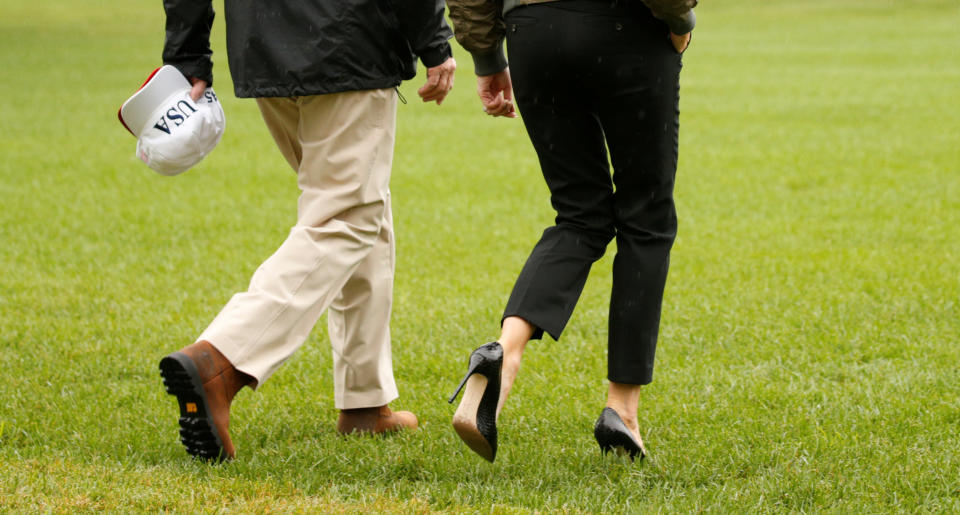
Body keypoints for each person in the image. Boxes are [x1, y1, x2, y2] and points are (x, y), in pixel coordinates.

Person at [156, 0, 456, 462]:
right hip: (349, 41)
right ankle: (219, 362)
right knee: (347, 218)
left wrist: (187, 54)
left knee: (359, 209)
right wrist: (434, 42)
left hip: (264, 45)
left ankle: (365, 401)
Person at [445, 0, 696, 462]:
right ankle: (622, 408)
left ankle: (505, 351)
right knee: (647, 219)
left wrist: (486, 54)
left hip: (534, 34)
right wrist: (680, 19)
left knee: (580, 214)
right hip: (627, 28)